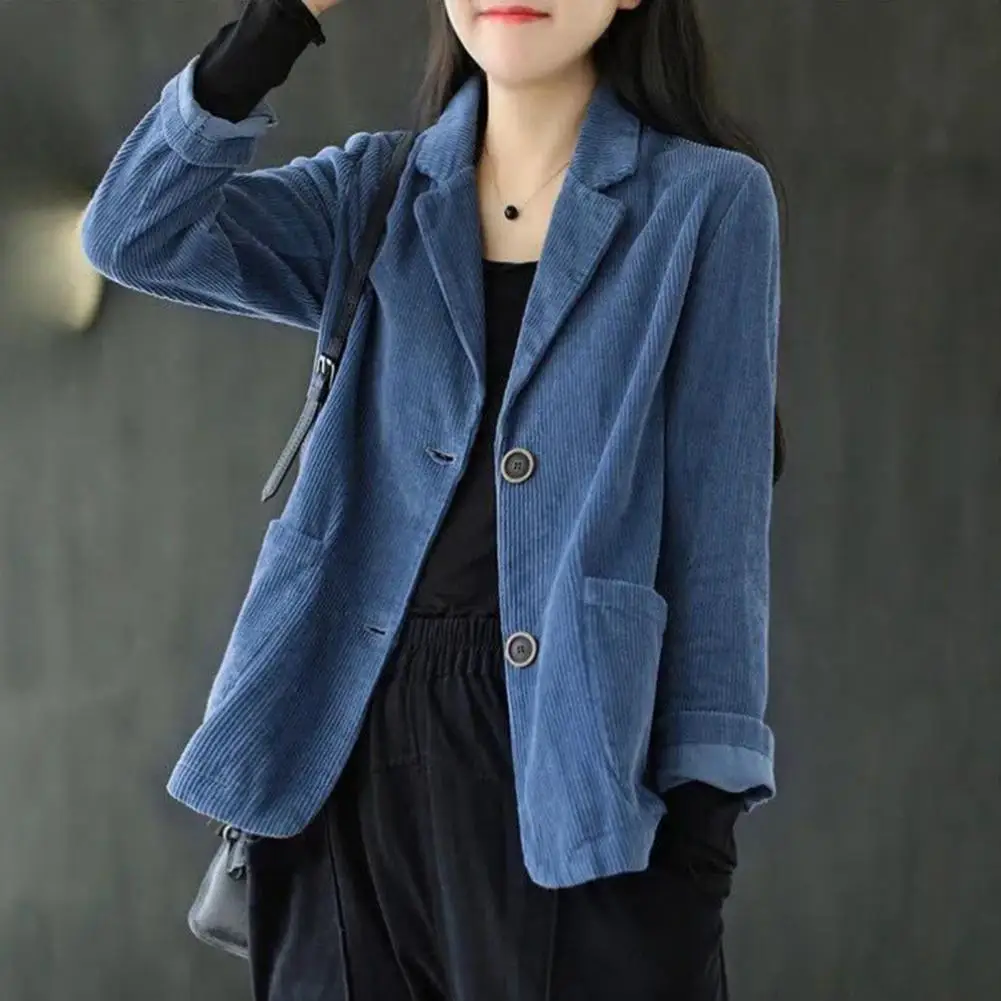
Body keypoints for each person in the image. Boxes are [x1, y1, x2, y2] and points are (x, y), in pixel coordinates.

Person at [81, 0, 784, 998]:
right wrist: (280, 20)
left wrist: (700, 841)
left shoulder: (705, 203)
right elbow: (133, 231)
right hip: (337, 747)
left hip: (571, 763)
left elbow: (718, 541)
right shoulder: (376, 189)